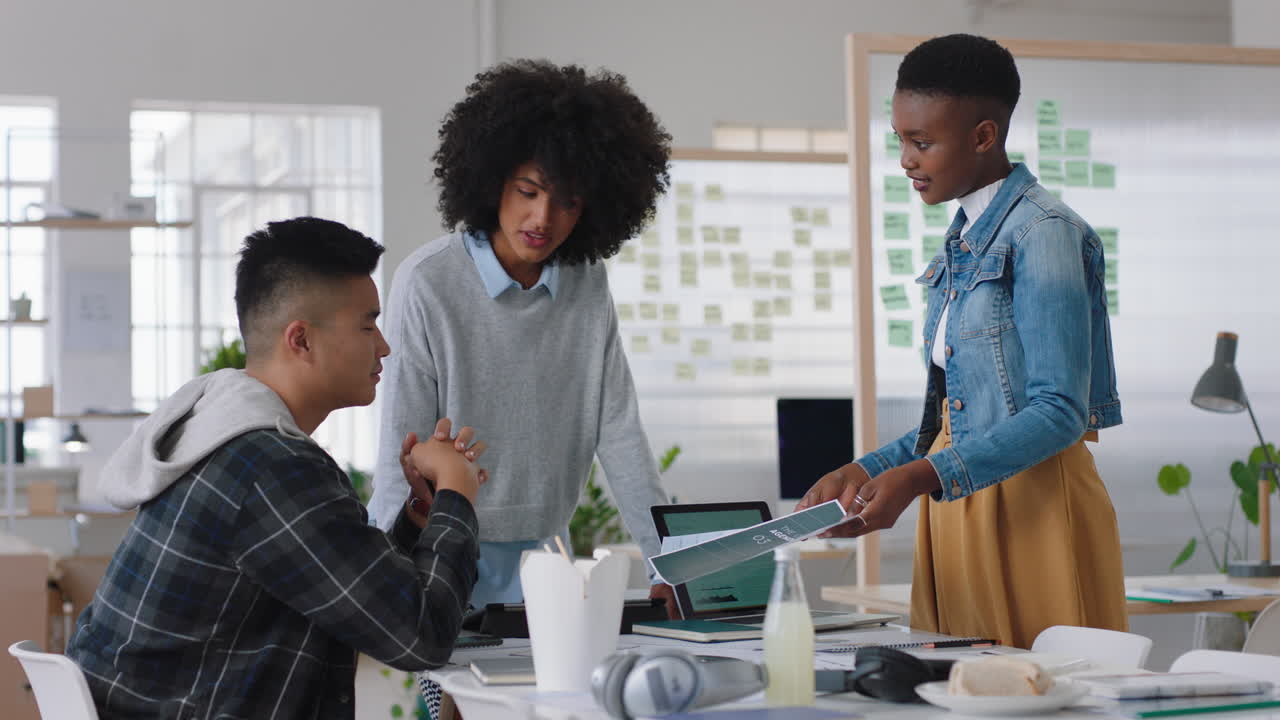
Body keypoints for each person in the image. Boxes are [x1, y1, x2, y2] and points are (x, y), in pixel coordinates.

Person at [66, 217, 486, 718]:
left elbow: (359, 596)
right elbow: (421, 637)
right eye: (367, 325)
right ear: (301, 340)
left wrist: (422, 513)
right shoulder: (272, 469)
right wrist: (457, 489)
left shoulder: (219, 431)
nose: (384, 346)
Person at [797, 34, 1126, 648]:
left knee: (1043, 685)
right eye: (900, 140)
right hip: (957, 499)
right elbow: (961, 418)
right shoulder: (961, 242)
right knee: (955, 682)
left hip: (1032, 508)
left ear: (983, 136)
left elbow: (1060, 411)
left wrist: (919, 477)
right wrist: (864, 471)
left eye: (922, 142)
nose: (906, 159)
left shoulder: (1045, 233)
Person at [368, 60, 675, 615]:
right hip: (443, 553)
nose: (543, 218)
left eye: (568, 201)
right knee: (455, 679)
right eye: (528, 191)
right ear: (493, 182)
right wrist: (386, 581)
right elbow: (402, 452)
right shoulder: (429, 281)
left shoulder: (587, 282)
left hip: (547, 557)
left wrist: (669, 563)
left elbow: (620, 430)